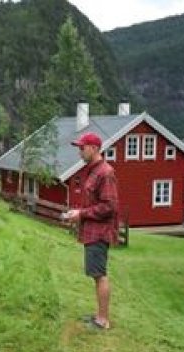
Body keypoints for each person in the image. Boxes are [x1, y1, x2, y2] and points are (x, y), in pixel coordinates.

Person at [63, 132, 119, 330]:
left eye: (82, 147)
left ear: (94, 148)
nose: (79, 151)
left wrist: (82, 214)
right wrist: (77, 214)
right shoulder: (92, 170)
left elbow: (109, 207)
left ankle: (103, 320)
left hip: (99, 232)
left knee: (99, 274)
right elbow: (94, 202)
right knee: (96, 273)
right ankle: (99, 315)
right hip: (91, 230)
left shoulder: (105, 173)